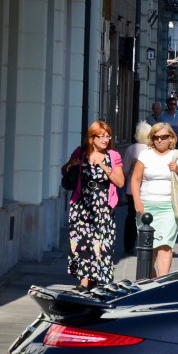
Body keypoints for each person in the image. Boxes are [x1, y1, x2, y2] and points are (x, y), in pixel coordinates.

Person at [62, 120, 125, 291]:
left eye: (107, 136)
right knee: (82, 243)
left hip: (103, 207)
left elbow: (120, 182)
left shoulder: (113, 156)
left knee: (101, 244)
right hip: (81, 205)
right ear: (92, 138)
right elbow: (64, 171)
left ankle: (95, 282)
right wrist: (70, 165)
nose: (105, 139)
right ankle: (83, 283)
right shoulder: (80, 152)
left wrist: (104, 166)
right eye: (101, 136)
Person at [129, 121, 178, 278]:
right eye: (156, 137)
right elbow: (135, 179)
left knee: (164, 247)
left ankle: (162, 282)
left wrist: (177, 170)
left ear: (171, 138)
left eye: (164, 137)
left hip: (169, 208)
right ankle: (152, 280)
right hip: (146, 207)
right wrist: (137, 201)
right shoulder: (145, 155)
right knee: (148, 249)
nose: (160, 140)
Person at [121, 121, 151, 255]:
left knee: (131, 217)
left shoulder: (131, 149)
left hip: (131, 190)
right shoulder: (152, 150)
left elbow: (125, 170)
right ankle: (147, 243)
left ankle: (128, 245)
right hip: (149, 189)